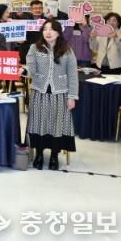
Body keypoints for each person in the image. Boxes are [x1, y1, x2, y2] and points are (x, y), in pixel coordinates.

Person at [25, 19, 78, 170]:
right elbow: (30, 67)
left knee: (57, 125)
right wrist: (24, 71)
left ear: (58, 32)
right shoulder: (34, 48)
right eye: (45, 29)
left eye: (52, 29)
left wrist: (72, 97)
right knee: (39, 123)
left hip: (60, 94)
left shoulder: (67, 50)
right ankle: (39, 153)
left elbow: (73, 75)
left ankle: (54, 155)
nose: (48, 32)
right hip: (39, 92)